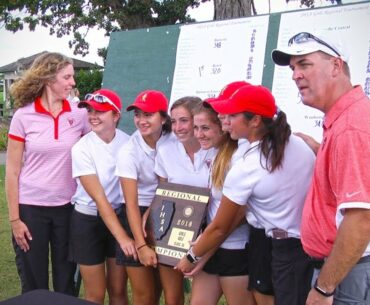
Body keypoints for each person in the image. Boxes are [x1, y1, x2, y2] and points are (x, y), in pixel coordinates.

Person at [176, 84, 316, 305]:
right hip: (308, 243)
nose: (226, 121)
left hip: (285, 247)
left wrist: (192, 257)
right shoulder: (295, 142)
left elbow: (221, 226)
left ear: (255, 121)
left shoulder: (247, 166)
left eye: (232, 115)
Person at [272, 31, 370, 305]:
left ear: (336, 66)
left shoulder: (351, 127)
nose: (295, 75)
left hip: (347, 275)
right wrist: (321, 150)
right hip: (343, 269)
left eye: (305, 64)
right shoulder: (344, 119)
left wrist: (324, 288)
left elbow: (361, 220)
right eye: (293, 68)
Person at [5, 52, 90, 295]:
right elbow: (12, 171)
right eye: (67, 77)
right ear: (48, 78)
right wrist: (15, 220)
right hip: (30, 210)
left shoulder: (79, 114)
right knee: (34, 285)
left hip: (68, 209)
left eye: (72, 77)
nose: (73, 83)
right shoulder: (23, 116)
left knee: (66, 284)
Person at [185, 100, 255, 305]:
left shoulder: (237, 158)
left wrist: (202, 252)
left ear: (223, 127)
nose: (199, 134)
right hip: (210, 244)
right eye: (196, 128)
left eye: (205, 128)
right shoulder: (215, 152)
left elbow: (240, 213)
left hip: (234, 248)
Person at [68, 88, 130, 305]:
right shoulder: (81, 148)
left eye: (100, 111)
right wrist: (123, 237)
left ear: (116, 115)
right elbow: (100, 199)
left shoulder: (128, 143)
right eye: (90, 110)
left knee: (118, 290)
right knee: (95, 294)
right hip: (88, 221)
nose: (93, 116)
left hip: (118, 217)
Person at [154, 96, 215, 305]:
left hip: (212, 234)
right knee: (173, 298)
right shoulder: (165, 151)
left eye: (183, 120)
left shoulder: (217, 150)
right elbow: (163, 193)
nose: (178, 127)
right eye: (173, 121)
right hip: (175, 233)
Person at [115, 89, 172, 305]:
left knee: (161, 288)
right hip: (136, 215)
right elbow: (130, 204)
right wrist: (140, 245)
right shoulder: (128, 151)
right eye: (137, 115)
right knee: (144, 294)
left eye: (148, 115)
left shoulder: (174, 140)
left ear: (163, 117)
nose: (141, 121)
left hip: (166, 208)